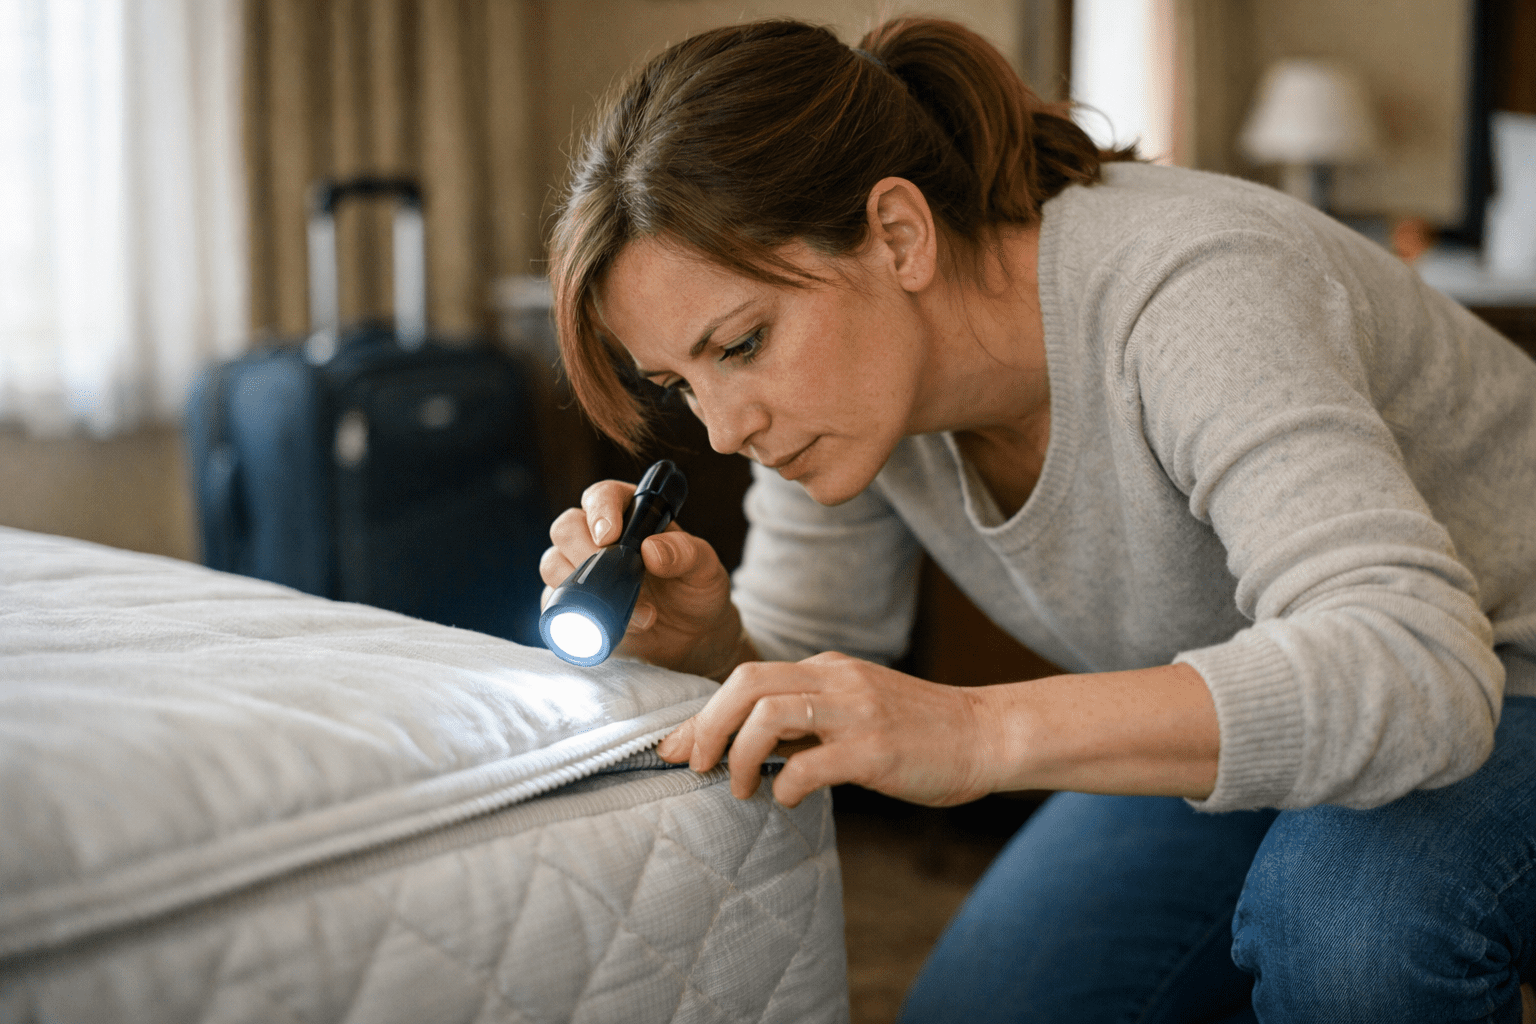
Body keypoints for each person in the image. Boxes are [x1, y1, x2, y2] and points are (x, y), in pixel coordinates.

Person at [538, 15, 1536, 1023]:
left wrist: (976, 729)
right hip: (1277, 699)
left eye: (744, 342)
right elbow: (806, 657)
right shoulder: (849, 404)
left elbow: (1418, 667)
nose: (724, 428)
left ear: (898, 234)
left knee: (1348, 933)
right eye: (679, 382)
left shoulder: (1192, 289)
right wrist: (710, 643)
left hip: (1505, 672)